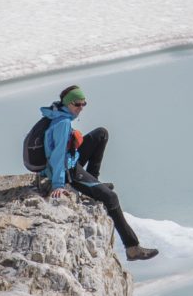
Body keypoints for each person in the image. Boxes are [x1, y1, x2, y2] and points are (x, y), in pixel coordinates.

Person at [40, 85, 159, 262]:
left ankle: (94, 181)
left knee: (101, 133)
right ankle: (132, 248)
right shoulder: (62, 123)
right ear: (68, 103)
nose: (81, 108)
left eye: (83, 104)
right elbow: (57, 156)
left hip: (71, 159)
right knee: (111, 197)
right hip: (68, 170)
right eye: (77, 104)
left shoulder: (58, 113)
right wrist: (58, 184)